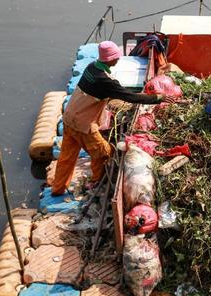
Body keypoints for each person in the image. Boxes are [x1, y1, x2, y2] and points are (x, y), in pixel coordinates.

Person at [51, 41, 175, 196]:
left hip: (69, 117)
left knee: (66, 157)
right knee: (104, 153)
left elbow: (99, 92)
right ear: (109, 59)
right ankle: (95, 182)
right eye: (116, 57)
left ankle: (58, 189)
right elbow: (130, 96)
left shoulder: (91, 68)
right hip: (83, 125)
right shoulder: (105, 80)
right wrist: (158, 98)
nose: (118, 60)